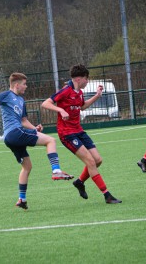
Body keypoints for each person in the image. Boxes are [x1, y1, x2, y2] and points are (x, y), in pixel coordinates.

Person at [0, 72, 73, 210]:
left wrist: (35, 129)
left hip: (12, 138)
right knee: (50, 140)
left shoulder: (21, 101)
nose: (26, 87)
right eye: (24, 84)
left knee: (27, 167)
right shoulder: (6, 95)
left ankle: (22, 199)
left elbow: (23, 121)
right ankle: (56, 171)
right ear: (16, 85)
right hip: (14, 133)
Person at [41, 64, 122, 204]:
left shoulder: (79, 92)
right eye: (86, 79)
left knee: (97, 160)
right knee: (90, 161)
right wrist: (60, 110)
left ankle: (79, 182)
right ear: (78, 79)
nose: (87, 81)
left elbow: (82, 106)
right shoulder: (66, 91)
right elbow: (45, 103)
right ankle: (107, 195)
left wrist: (97, 96)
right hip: (67, 134)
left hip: (78, 130)